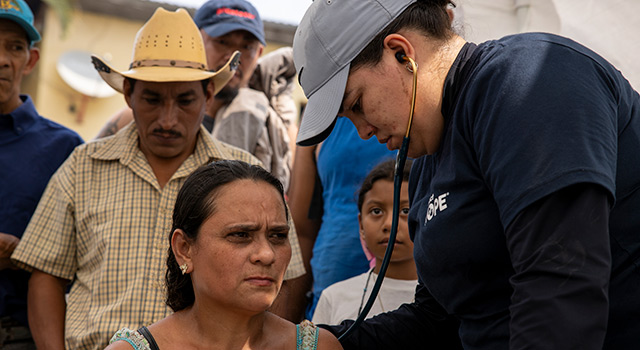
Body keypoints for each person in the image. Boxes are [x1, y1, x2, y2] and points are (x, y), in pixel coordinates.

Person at [292, 0, 640, 349]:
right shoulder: (430, 163)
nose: (362, 131)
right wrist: (326, 342)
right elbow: (440, 319)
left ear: (400, 52)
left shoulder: (529, 80)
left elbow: (560, 285)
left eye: (356, 104)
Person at [10, 7, 303, 350]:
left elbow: (284, 279)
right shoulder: (83, 166)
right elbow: (46, 277)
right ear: (128, 95)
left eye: (185, 100)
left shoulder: (244, 173)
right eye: (151, 99)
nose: (167, 119)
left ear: (207, 96)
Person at [104, 160, 341, 350]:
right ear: (184, 249)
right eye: (240, 235)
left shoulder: (318, 346)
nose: (267, 254)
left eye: (278, 236)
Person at [96, 0, 294, 191]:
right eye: (222, 42)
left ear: (259, 52)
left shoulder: (272, 126)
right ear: (196, 43)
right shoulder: (134, 118)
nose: (234, 55)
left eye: (246, 46)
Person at [0, 0, 83, 347]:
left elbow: (85, 255)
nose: (2, 59)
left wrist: (24, 255)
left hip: (20, 335)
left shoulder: (66, 149)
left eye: (15, 47)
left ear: (30, 60)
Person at [288, 117, 395, 321]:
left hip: (408, 296)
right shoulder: (321, 115)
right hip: (329, 303)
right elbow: (300, 232)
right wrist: (287, 321)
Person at [312, 159, 417, 325]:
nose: (390, 223)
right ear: (361, 224)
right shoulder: (334, 298)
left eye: (405, 210)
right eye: (376, 211)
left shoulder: (447, 297)